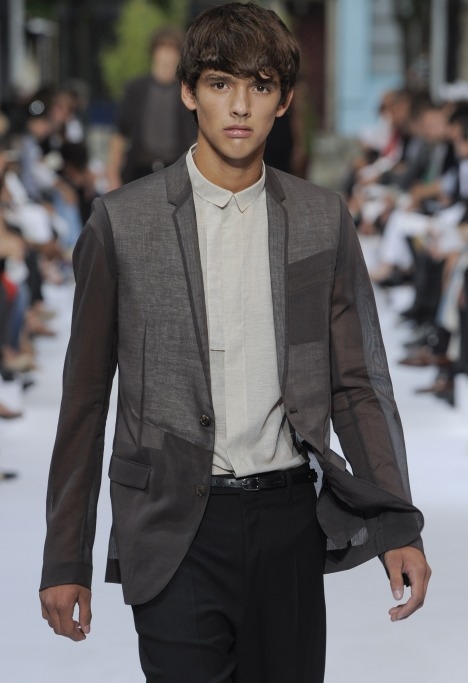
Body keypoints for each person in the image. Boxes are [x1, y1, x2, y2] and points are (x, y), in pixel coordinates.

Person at [39, 3, 431, 682]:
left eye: (261, 84)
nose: (241, 105)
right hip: (171, 524)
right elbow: (85, 399)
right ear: (190, 92)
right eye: (221, 83)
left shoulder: (321, 219)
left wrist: (399, 522)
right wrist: (65, 557)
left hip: (289, 520)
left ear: (284, 99)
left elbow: (357, 383)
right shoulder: (122, 223)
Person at [106, 26, 197, 189]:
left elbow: (196, 137)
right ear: (154, 52)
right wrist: (112, 175)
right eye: (163, 48)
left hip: (177, 171)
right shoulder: (136, 89)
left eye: (172, 49)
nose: (167, 55)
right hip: (138, 172)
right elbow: (120, 134)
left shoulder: (188, 91)